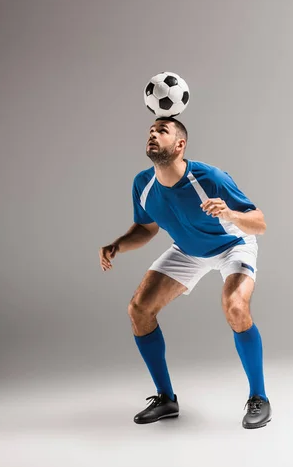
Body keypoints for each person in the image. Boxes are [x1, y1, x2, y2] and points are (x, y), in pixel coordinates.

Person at [99, 116, 272, 429]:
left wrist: (229, 213)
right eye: (151, 130)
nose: (152, 134)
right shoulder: (143, 183)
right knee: (139, 309)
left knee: (235, 306)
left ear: (180, 145)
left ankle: (258, 397)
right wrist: (118, 245)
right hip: (188, 249)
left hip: (232, 244)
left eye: (162, 131)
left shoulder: (210, 178)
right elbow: (146, 227)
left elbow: (259, 223)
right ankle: (166, 398)